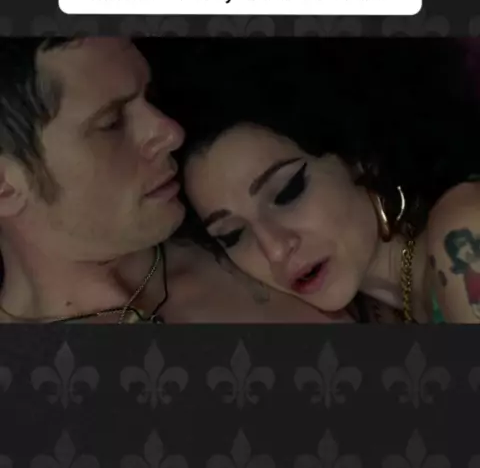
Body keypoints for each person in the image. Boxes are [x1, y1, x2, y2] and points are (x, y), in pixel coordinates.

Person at [0, 36, 354, 324]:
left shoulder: (251, 231)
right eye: (112, 124)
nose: (171, 133)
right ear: (4, 185)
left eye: (149, 97)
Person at [173, 38, 480, 324]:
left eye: (287, 193)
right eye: (232, 235)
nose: (274, 250)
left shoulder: (462, 231)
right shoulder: (369, 314)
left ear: (358, 156)